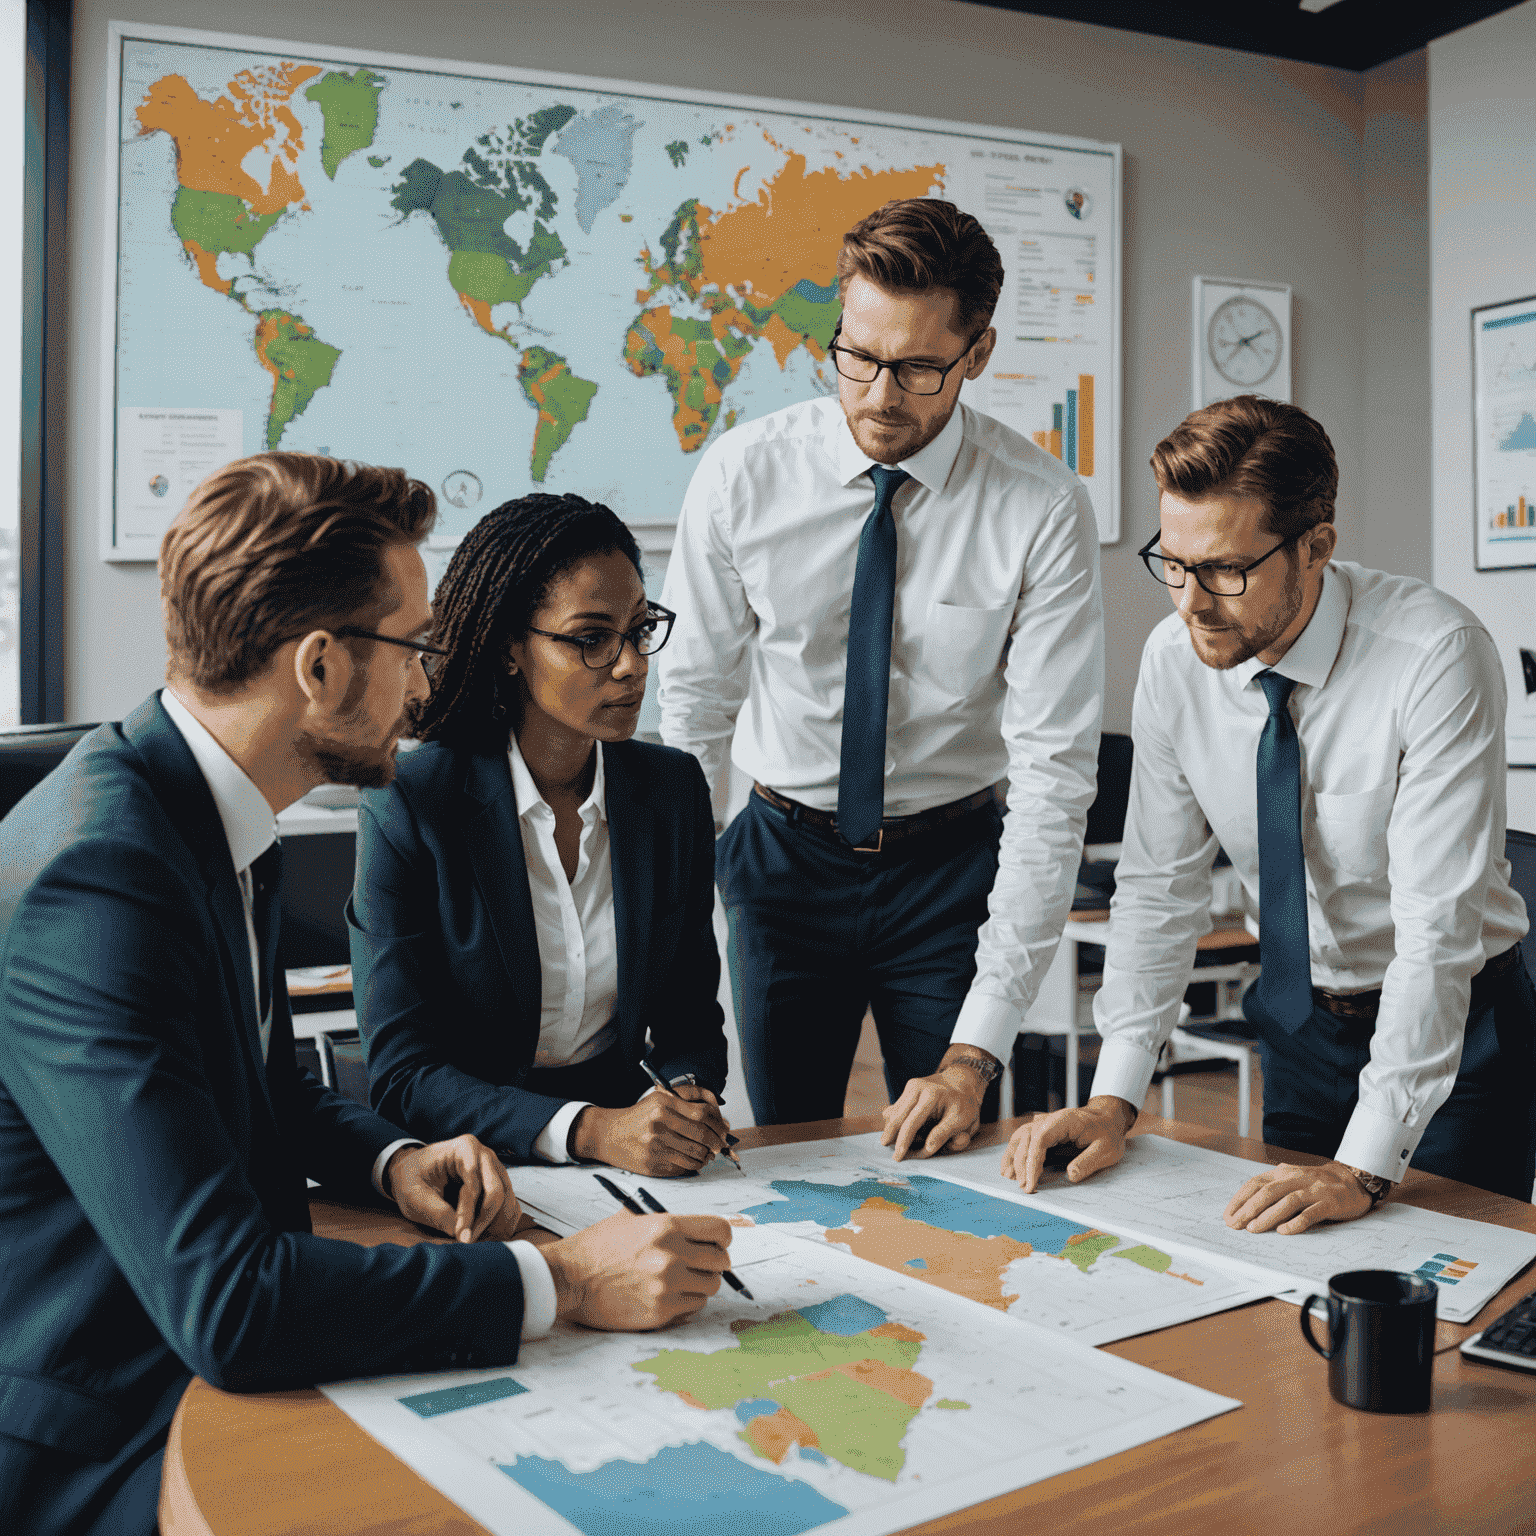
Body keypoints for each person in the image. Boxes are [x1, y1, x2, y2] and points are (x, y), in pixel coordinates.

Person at [0, 456, 733, 1536]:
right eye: (417, 647)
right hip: (111, 1426)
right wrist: (562, 1281)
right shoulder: (101, 879)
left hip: (203, 1369)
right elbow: (232, 1303)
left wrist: (393, 1160)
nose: (433, 682)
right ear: (320, 667)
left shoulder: (198, 812)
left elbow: (266, 1097)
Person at [1005, 396, 1535, 1230]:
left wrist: (1363, 1167)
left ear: (1316, 545)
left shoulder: (1435, 656)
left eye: (1224, 570)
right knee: (1288, 1285)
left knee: (1448, 1305)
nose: (1189, 603)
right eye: (1173, 563)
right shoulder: (1175, 661)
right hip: (1301, 1025)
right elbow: (1158, 888)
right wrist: (1114, 1098)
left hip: (1460, 1034)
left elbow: (1435, 936)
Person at [658, 197, 1104, 1155]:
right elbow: (694, 705)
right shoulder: (741, 476)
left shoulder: (1042, 508)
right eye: (855, 355)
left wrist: (976, 1054)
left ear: (977, 355)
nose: (875, 394)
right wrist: (678, 915)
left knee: (955, 1155)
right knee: (787, 1151)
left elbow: (1054, 776)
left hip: (952, 872)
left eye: (915, 368)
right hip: (778, 861)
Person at [350, 493, 733, 1176]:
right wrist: (590, 1130)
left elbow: (690, 1020)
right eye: (591, 639)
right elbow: (404, 1075)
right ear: (509, 650)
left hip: (632, 1165)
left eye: (639, 631)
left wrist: (686, 1096)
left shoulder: (670, 791)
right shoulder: (411, 803)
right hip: (468, 1163)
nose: (631, 665)